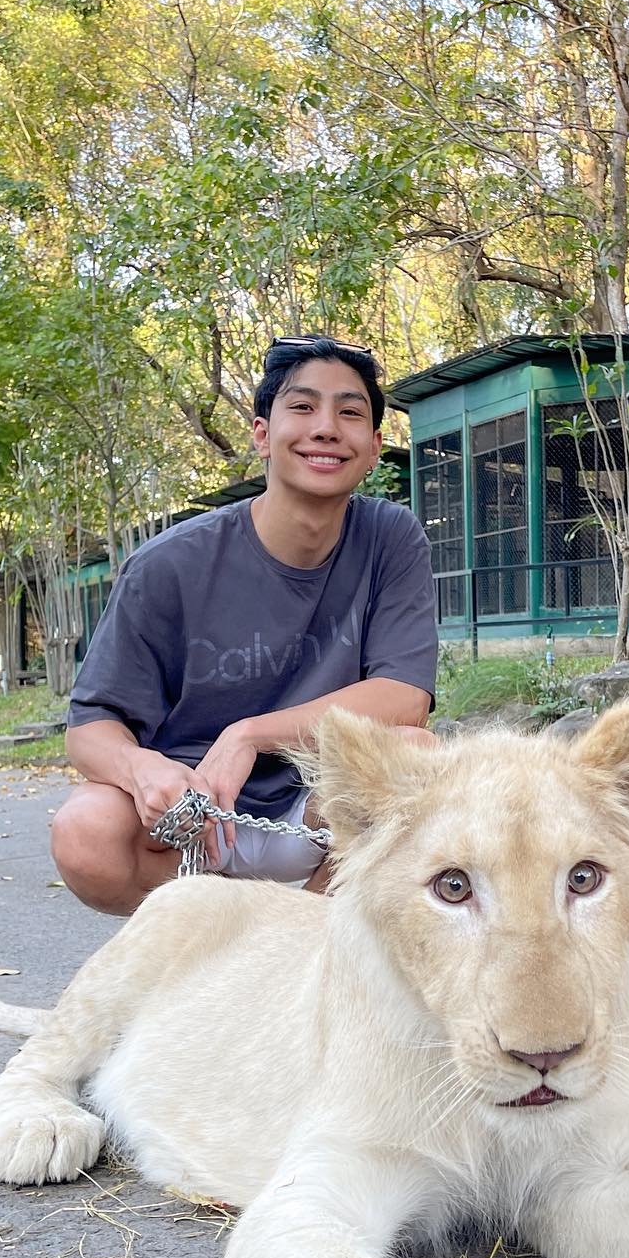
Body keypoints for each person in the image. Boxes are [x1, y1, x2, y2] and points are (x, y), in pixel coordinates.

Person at [54, 336, 437, 913]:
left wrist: (248, 734)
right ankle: (202, 929)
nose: (327, 428)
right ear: (261, 434)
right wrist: (143, 770)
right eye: (303, 407)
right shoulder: (166, 566)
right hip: (191, 820)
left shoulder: (389, 537)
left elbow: (405, 698)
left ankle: (307, 950)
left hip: (317, 809)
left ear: (375, 446)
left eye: (350, 412)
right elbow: (89, 729)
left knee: (417, 757)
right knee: (85, 829)